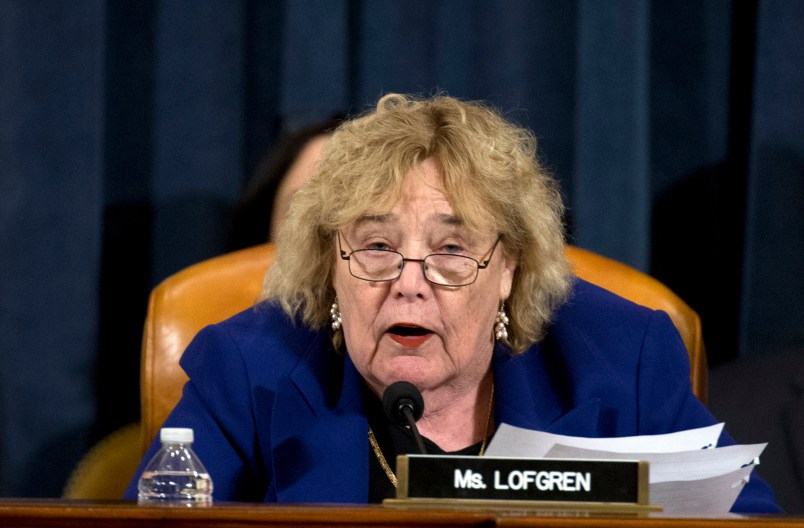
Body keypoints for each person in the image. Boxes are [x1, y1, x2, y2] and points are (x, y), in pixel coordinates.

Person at [124, 93, 780, 512]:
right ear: (331, 264)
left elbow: (746, 521)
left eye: (452, 250)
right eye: (377, 245)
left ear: (508, 270)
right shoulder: (246, 368)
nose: (410, 281)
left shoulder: (619, 358)